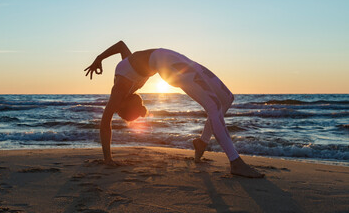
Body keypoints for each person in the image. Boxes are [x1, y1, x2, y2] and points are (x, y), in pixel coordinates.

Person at [84, 41, 264, 178]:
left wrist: (107, 158)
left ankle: (202, 142)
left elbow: (105, 120)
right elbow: (122, 46)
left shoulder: (120, 89)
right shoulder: (126, 83)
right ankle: (235, 161)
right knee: (214, 105)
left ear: (123, 106)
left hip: (173, 60)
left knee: (226, 99)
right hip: (170, 62)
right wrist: (99, 59)